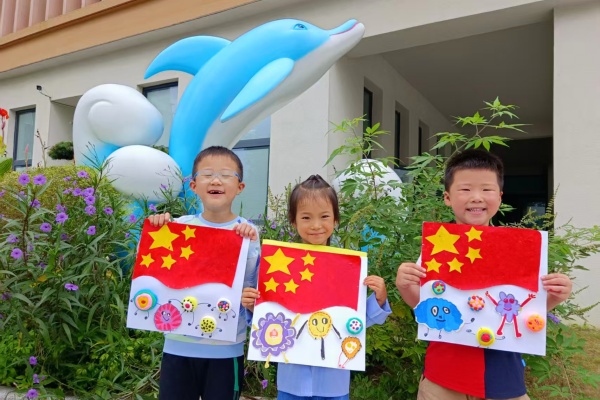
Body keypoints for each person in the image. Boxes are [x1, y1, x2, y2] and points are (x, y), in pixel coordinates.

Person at [395, 149, 573, 400]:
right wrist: (405, 286)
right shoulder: (436, 247)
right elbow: (424, 307)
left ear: (499, 197)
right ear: (447, 197)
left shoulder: (519, 249)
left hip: (503, 378)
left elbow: (524, 311)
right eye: (465, 189)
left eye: (487, 189)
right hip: (444, 376)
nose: (476, 197)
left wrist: (554, 296)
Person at [242, 174, 391, 400]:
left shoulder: (348, 268)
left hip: (334, 384)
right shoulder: (279, 267)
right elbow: (270, 318)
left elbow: (354, 322)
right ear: (293, 221)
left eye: (324, 216)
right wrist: (253, 305)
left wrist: (379, 298)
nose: (316, 225)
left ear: (335, 220)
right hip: (291, 382)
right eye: (306, 217)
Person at [148, 146, 260, 400]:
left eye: (226, 175)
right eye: (207, 174)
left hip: (226, 350)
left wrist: (249, 244)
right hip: (178, 345)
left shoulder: (248, 234)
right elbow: (151, 272)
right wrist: (157, 229)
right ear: (194, 185)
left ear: (240, 187)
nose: (216, 180)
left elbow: (252, 288)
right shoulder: (177, 227)